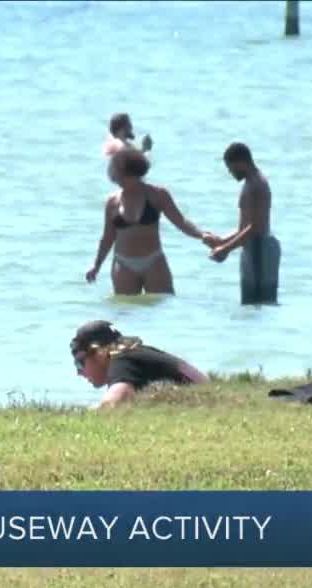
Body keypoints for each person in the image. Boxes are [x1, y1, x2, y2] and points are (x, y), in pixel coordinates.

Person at [86, 146, 213, 295]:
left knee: (164, 305)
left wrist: (202, 235)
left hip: (153, 261)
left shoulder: (157, 194)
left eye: (117, 172)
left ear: (130, 172)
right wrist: (96, 266)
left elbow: (181, 222)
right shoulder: (112, 202)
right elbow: (107, 237)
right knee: (126, 312)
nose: (114, 176)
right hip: (123, 263)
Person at [70, 320, 208, 409]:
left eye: (80, 363)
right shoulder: (135, 355)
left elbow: (111, 405)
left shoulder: (121, 361)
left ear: (98, 354)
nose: (79, 372)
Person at [205, 143, 280, 305]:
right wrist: (221, 241)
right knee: (250, 304)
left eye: (230, 167)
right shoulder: (250, 182)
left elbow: (256, 228)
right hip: (253, 249)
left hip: (261, 250)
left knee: (260, 304)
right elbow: (244, 228)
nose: (230, 172)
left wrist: (226, 249)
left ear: (241, 162)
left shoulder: (257, 184)